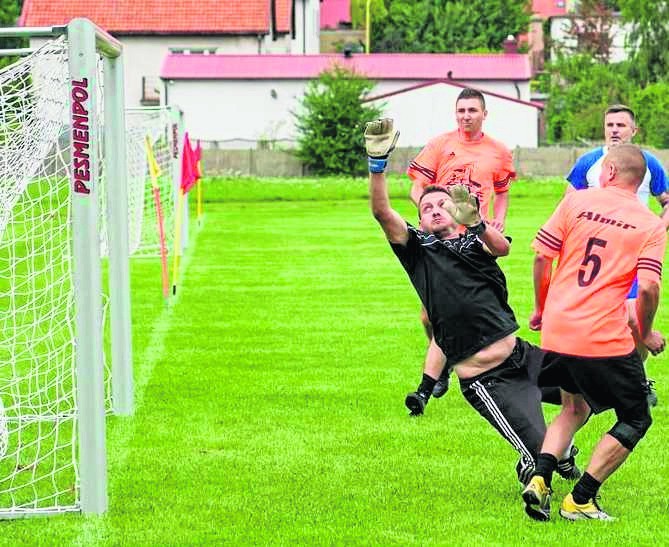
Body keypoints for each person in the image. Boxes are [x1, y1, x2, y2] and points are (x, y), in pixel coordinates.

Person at [364, 118, 579, 485]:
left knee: (586, 389)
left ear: (455, 211)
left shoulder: (472, 241)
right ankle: (543, 458)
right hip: (488, 379)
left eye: (441, 204)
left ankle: (565, 452)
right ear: (419, 220)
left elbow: (503, 247)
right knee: (541, 453)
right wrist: (377, 167)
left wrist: (478, 222)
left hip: (521, 357)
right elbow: (382, 213)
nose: (433, 209)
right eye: (426, 207)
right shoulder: (418, 250)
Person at [522, 144, 666, 522]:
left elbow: (541, 256)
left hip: (558, 328)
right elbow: (649, 288)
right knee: (636, 417)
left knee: (575, 407)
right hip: (601, 335)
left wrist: (540, 308)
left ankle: (540, 478)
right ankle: (581, 499)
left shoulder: (575, 203)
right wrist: (646, 331)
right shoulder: (650, 223)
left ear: (612, 173)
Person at [405, 87, 516, 413]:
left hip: (474, 240)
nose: (466, 116)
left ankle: (436, 378)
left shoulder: (498, 151)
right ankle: (442, 359)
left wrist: (498, 221)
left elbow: (503, 190)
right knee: (430, 314)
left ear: (484, 114)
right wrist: (431, 212)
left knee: (472, 309)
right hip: (442, 239)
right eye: (461, 111)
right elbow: (416, 187)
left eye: (472, 110)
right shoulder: (441, 145)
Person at [566, 105, 669, 405]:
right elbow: (569, 205)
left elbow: (666, 201)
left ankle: (637, 380)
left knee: (637, 316)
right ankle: (591, 381)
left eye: (621, 125)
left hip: (635, 256)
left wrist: (657, 230)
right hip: (596, 257)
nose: (614, 130)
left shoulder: (649, 163)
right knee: (593, 320)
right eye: (609, 124)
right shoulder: (588, 162)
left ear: (634, 131)